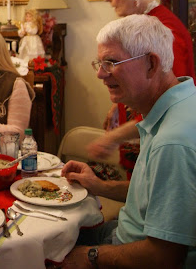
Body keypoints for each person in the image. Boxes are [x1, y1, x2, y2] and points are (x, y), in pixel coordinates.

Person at [61, 15, 195, 269]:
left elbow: (163, 257)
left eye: (111, 62)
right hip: (126, 232)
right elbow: (153, 198)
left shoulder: (172, 143)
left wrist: (89, 256)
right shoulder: (180, 103)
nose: (100, 74)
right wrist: (98, 185)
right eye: (99, 63)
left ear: (151, 64)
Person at [88, 0, 195, 159]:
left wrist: (112, 138)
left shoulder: (163, 30)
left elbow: (167, 104)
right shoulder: (144, 24)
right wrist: (118, 105)